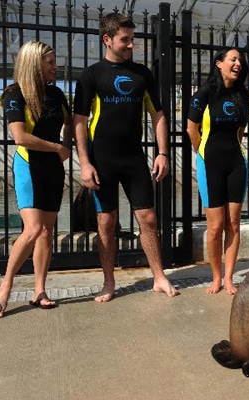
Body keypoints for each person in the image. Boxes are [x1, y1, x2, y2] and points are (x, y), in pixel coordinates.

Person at [73, 12, 178, 301]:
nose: (131, 45)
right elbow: (79, 121)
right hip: (102, 159)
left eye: (132, 39)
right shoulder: (91, 75)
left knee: (148, 217)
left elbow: (158, 114)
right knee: (106, 221)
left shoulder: (143, 74)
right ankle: (109, 282)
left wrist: (162, 153)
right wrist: (84, 162)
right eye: (125, 40)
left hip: (133, 157)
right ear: (107, 40)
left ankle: (158, 276)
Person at [0, 41, 73, 318]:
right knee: (33, 229)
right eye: (50, 62)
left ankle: (39, 291)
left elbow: (70, 123)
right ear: (35, 63)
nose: (55, 66)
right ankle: (6, 286)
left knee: (47, 232)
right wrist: (57, 147)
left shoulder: (57, 94)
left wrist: (67, 144)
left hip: (53, 170)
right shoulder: (14, 94)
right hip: (29, 166)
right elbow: (20, 137)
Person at [186, 48, 249, 294]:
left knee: (233, 222)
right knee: (215, 227)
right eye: (233, 59)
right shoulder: (205, 93)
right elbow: (192, 129)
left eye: (240, 60)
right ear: (219, 63)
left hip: (236, 163)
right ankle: (216, 277)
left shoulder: (242, 95)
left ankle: (230, 277)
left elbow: (240, 131)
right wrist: (203, 153)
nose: (238, 63)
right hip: (209, 163)